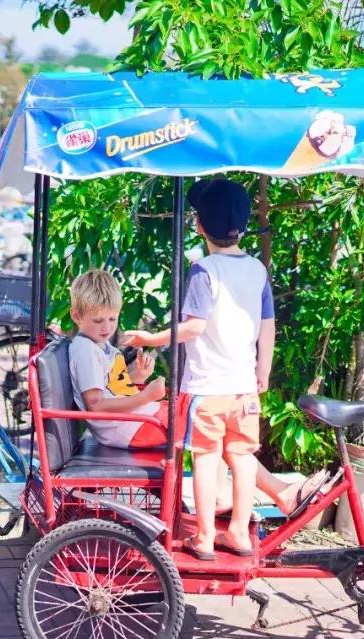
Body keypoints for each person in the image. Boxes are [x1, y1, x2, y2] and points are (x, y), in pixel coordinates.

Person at [69, 269, 324, 546]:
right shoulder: (85, 349)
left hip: (133, 423)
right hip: (126, 430)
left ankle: (254, 494)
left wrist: (136, 379)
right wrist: (145, 397)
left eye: (112, 318)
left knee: (210, 420)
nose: (106, 327)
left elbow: (108, 387)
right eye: (98, 321)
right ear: (76, 316)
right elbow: (96, 404)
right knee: (209, 420)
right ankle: (272, 493)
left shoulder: (98, 346)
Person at [123, 178, 277, 560]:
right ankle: (239, 533)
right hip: (244, 390)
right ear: (242, 226)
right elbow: (267, 326)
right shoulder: (257, 269)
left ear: (198, 225)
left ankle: (206, 536)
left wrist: (150, 337)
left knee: (206, 459)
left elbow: (194, 327)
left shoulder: (204, 271)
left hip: (207, 388)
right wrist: (264, 372)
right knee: (242, 458)